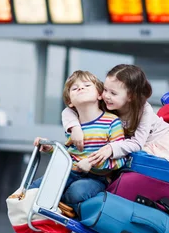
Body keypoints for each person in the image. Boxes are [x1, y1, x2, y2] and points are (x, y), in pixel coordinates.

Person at [31, 70, 126, 214]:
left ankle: (64, 206)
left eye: (87, 85)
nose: (80, 88)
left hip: (97, 177)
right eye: (74, 88)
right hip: (70, 172)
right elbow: (70, 152)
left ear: (99, 94)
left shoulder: (112, 122)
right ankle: (58, 204)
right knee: (34, 189)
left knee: (77, 192)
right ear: (70, 102)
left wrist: (92, 163)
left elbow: (120, 159)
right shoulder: (72, 126)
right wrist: (49, 148)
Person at [62, 64, 169, 166]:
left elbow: (137, 143)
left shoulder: (144, 110)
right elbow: (69, 110)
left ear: (130, 96)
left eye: (113, 93)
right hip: (128, 146)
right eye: (105, 90)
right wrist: (74, 127)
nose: (106, 96)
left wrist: (111, 148)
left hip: (156, 145)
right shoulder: (107, 102)